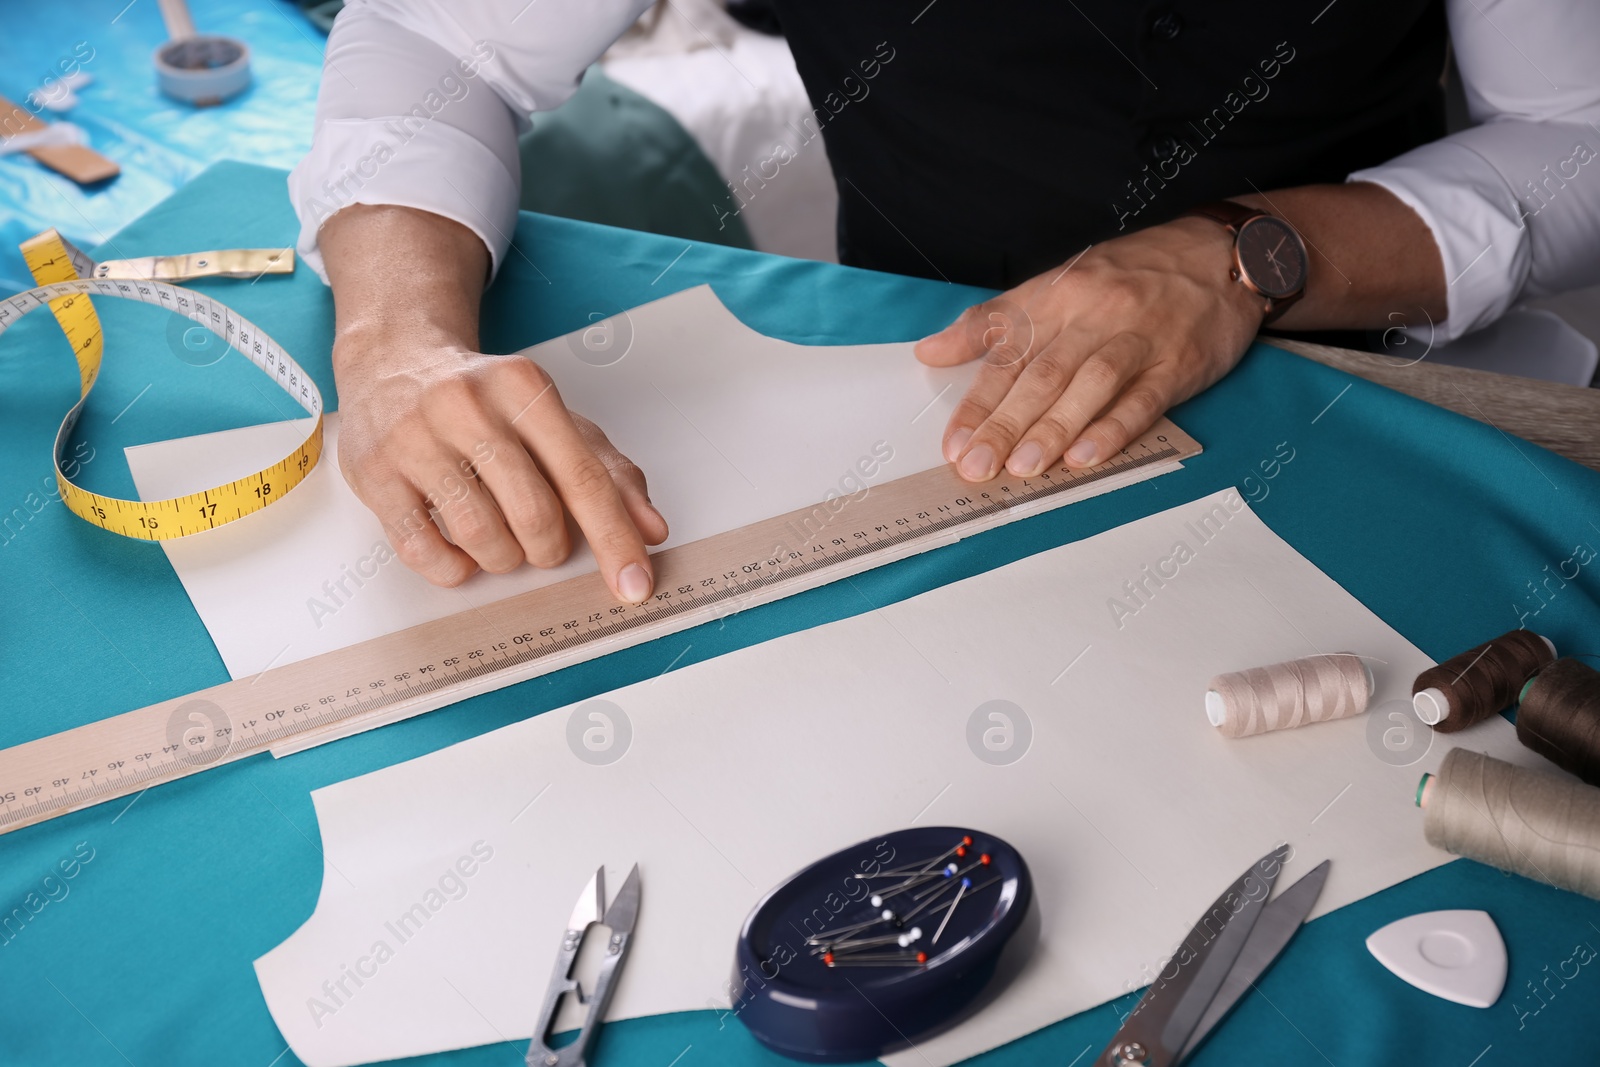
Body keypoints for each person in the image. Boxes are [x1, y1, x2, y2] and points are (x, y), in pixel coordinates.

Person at [290, 0, 1600, 605]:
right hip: (932, 415)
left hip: (1371, 393)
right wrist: (399, 347)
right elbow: (438, 40)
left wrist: (1246, 255)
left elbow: (1577, 132)